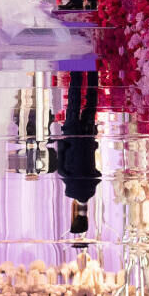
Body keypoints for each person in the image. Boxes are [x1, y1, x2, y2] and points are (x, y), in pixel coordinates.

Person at [56, 70, 101, 236]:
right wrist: (62, 143)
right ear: (74, 216)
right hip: (73, 138)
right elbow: (61, 166)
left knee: (91, 103)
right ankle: (76, 69)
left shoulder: (91, 191)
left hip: (87, 139)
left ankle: (93, 72)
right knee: (74, 101)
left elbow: (97, 174)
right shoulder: (71, 191)